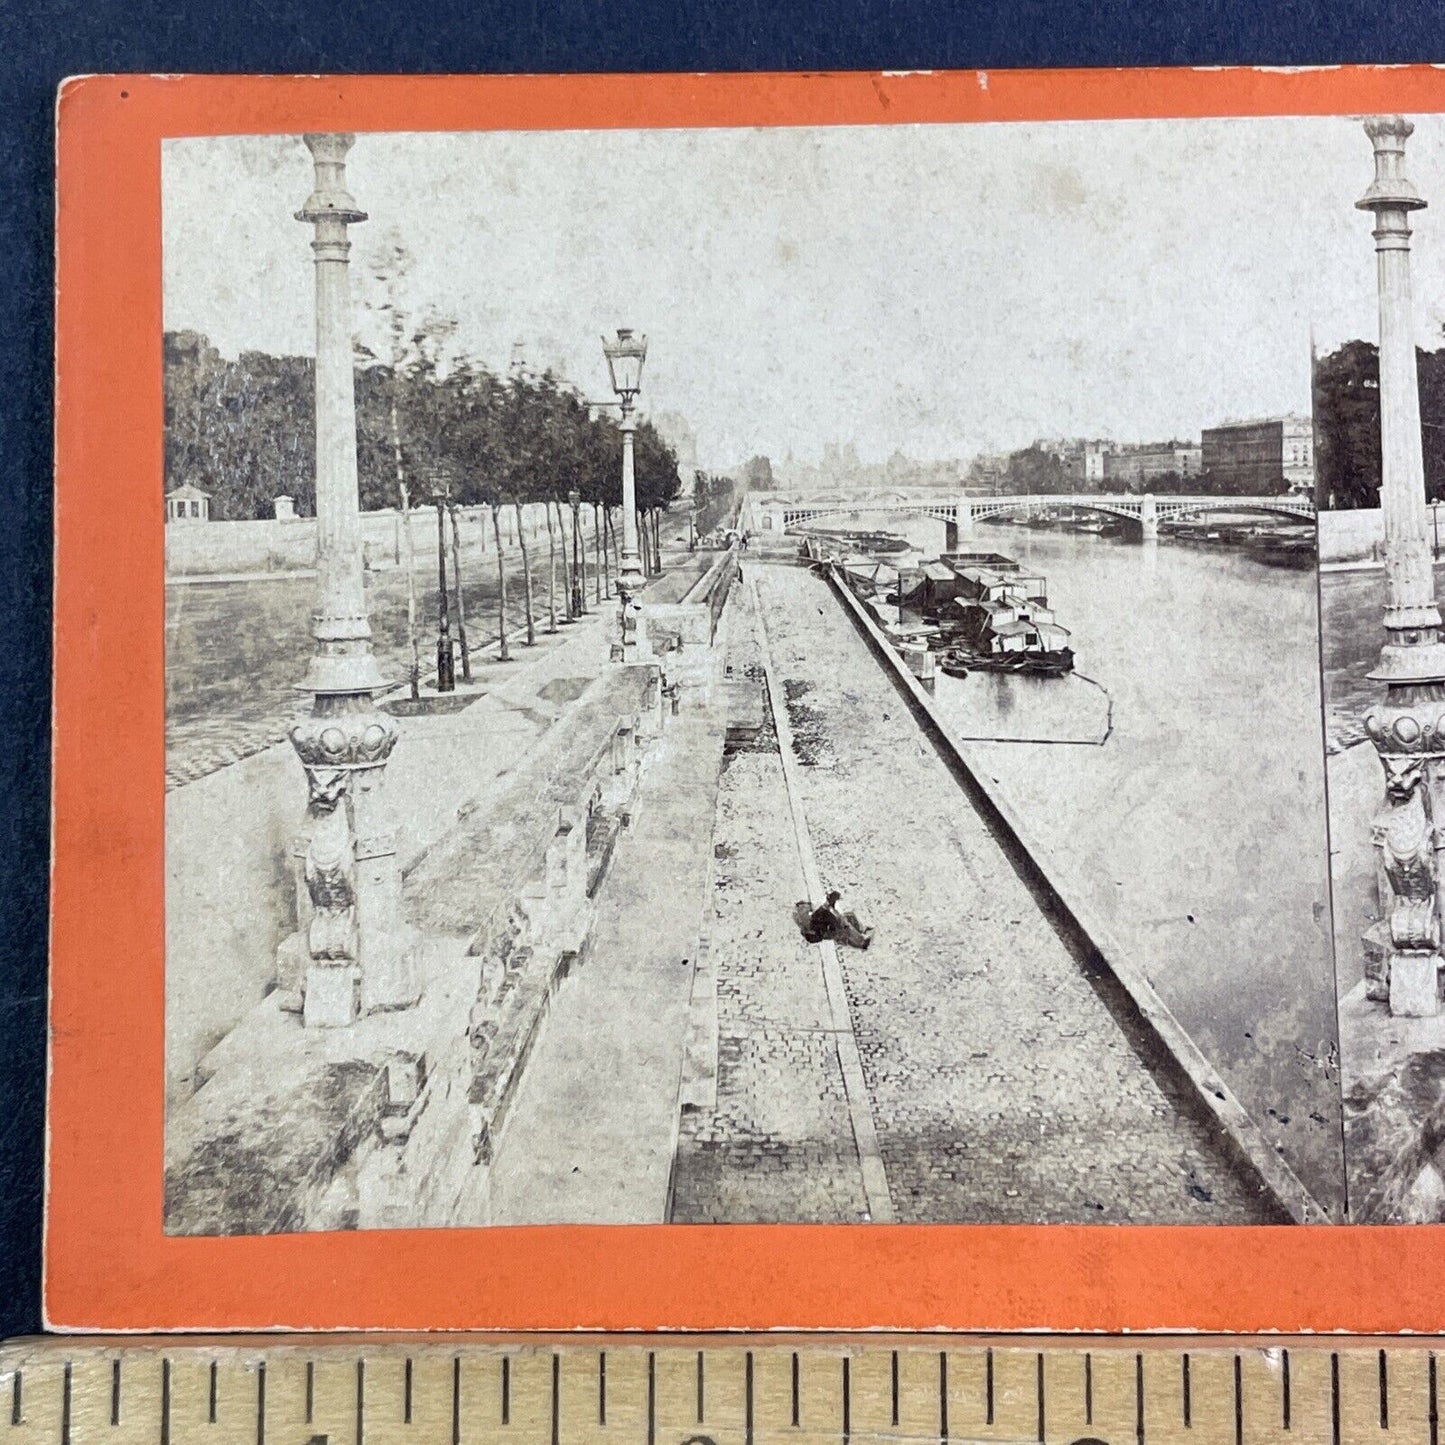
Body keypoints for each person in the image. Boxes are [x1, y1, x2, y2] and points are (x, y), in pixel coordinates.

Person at [800, 890, 872, 949]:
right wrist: (842, 924)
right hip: (825, 930)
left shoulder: (826, 906)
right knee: (847, 928)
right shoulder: (824, 910)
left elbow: (835, 915)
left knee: (850, 916)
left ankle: (860, 930)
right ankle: (862, 942)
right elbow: (834, 920)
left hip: (828, 925)